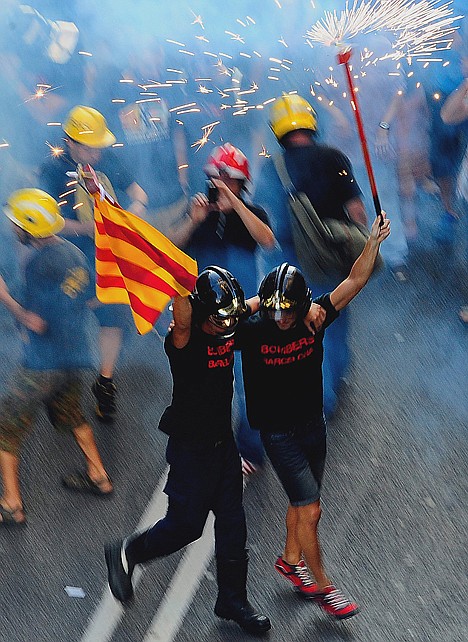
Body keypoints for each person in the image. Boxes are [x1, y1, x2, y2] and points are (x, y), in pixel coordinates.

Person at [234, 212, 390, 619]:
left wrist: (372, 242)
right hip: (278, 433)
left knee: (305, 504)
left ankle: (290, 561)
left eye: (289, 311)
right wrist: (256, 302)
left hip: (312, 427)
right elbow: (210, 322)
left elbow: (354, 281)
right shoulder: (252, 329)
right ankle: (325, 588)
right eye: (274, 310)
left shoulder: (315, 316)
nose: (282, 319)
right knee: (311, 509)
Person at [104, 267, 271, 635]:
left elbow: (247, 308)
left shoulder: (224, 322)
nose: (228, 325)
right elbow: (182, 318)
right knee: (185, 529)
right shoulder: (185, 339)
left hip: (223, 448)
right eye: (219, 318)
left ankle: (232, 599)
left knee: (233, 527)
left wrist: (272, 290)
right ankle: (129, 551)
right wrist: (180, 278)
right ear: (199, 312)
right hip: (191, 453)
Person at [0, 189, 113, 526]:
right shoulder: (73, 253)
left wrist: (5, 297)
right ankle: (98, 475)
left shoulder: (37, 263)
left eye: (17, 223)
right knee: (72, 415)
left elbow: (35, 321)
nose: (12, 228)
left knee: (6, 428)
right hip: (75, 356)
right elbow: (90, 299)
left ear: (30, 228)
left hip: (42, 364)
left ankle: (11, 503)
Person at [254, 93, 368, 419]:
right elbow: (356, 210)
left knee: (305, 326)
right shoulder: (334, 157)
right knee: (334, 313)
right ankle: (340, 369)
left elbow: (266, 222)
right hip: (332, 254)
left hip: (290, 258)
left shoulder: (270, 166)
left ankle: (322, 397)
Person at [167, 143, 276, 473]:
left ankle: (250, 450)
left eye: (227, 180)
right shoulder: (199, 211)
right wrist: (192, 220)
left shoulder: (253, 213)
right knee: (203, 383)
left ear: (241, 184)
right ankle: (205, 444)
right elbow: (171, 246)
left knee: (249, 383)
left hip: (243, 311)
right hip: (204, 315)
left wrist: (237, 207)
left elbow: (267, 240)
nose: (219, 186)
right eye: (215, 179)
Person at [38, 105, 148, 422]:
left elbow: (139, 194)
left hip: (106, 258)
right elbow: (48, 223)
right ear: (70, 142)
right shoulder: (52, 169)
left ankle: (105, 381)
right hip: (65, 259)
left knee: (112, 317)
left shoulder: (108, 159)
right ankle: (60, 381)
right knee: (63, 323)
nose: (96, 154)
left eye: (99, 146)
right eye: (89, 147)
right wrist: (89, 228)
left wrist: (128, 217)